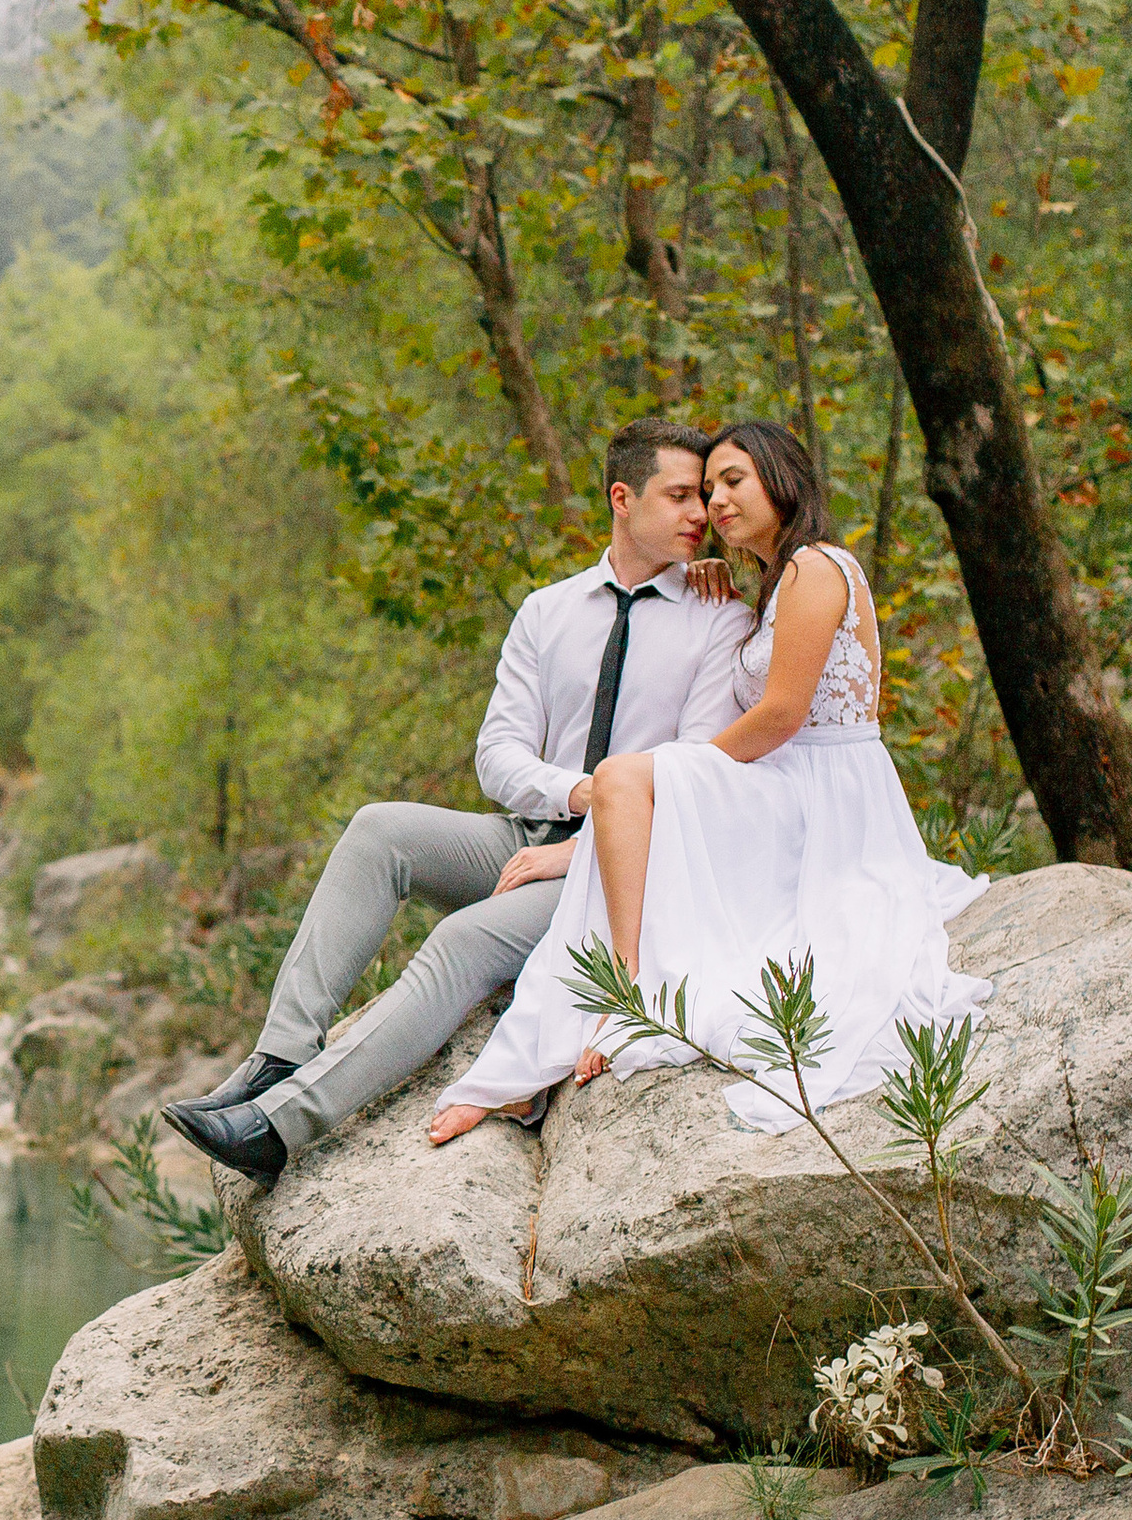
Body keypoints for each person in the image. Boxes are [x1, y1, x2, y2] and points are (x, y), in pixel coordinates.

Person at [163, 419, 754, 1186]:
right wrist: (574, 792)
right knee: (381, 830)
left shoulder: (719, 618)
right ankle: (277, 1060)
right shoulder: (548, 612)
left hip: (617, 867)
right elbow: (498, 754)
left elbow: (690, 774)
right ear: (621, 497)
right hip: (526, 834)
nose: (698, 515)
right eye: (679, 496)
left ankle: (278, 1130)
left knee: (464, 940)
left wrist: (587, 835)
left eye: (702, 498)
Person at [432, 420, 990, 1138]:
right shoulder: (771, 579)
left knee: (631, 777)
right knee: (628, 785)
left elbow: (784, 712)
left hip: (826, 787)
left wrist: (688, 771)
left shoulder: (817, 567)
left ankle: (623, 990)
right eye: (705, 490)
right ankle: (602, 998)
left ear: (781, 480)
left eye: (733, 482)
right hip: (787, 780)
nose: (715, 503)